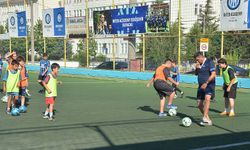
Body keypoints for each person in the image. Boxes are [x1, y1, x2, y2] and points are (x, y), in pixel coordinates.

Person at [194, 52, 216, 126]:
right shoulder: (199, 64)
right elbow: (196, 73)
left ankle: (204, 117)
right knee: (199, 104)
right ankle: (207, 118)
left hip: (209, 84)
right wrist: (197, 68)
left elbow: (213, 74)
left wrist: (206, 83)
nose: (197, 61)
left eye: (197, 60)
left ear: (201, 57)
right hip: (201, 86)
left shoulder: (209, 62)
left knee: (207, 98)